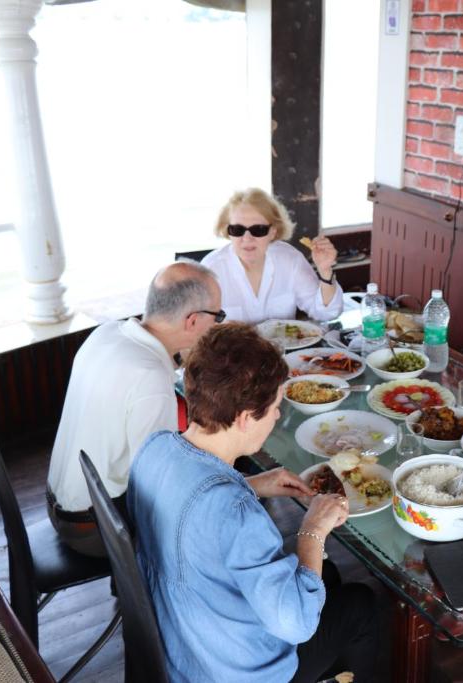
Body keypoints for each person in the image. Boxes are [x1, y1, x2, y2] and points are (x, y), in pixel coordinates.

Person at [128, 323, 377, 682]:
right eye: (275, 407)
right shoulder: (237, 514)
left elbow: (187, 504)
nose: (277, 416)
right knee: (360, 604)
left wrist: (251, 483)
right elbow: (297, 625)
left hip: (179, 640)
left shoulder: (156, 448)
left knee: (328, 577)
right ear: (245, 418)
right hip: (230, 669)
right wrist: (313, 531)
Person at [46, 261, 224, 557]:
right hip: (92, 527)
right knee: (213, 525)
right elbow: (160, 482)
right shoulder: (150, 377)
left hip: (61, 501)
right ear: (192, 321)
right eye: (218, 316)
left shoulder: (107, 332)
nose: (219, 324)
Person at [202, 187, 343, 324]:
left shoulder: (290, 259)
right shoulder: (210, 270)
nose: (247, 238)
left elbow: (327, 313)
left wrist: (325, 271)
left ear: (273, 232)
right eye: (237, 229)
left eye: (258, 230)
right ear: (227, 231)